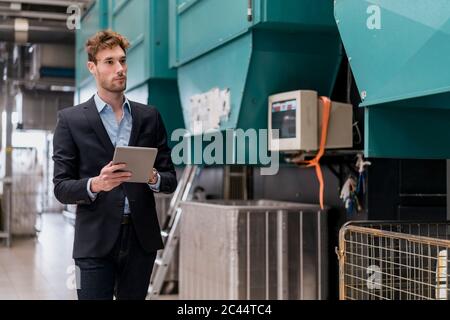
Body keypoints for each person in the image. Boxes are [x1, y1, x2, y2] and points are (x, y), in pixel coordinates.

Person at [52, 30, 177, 300]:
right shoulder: (70, 120)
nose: (120, 69)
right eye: (109, 62)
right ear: (92, 67)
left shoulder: (149, 117)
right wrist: (96, 184)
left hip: (140, 241)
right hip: (93, 244)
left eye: (122, 61)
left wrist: (152, 176)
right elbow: (61, 187)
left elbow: (170, 178)